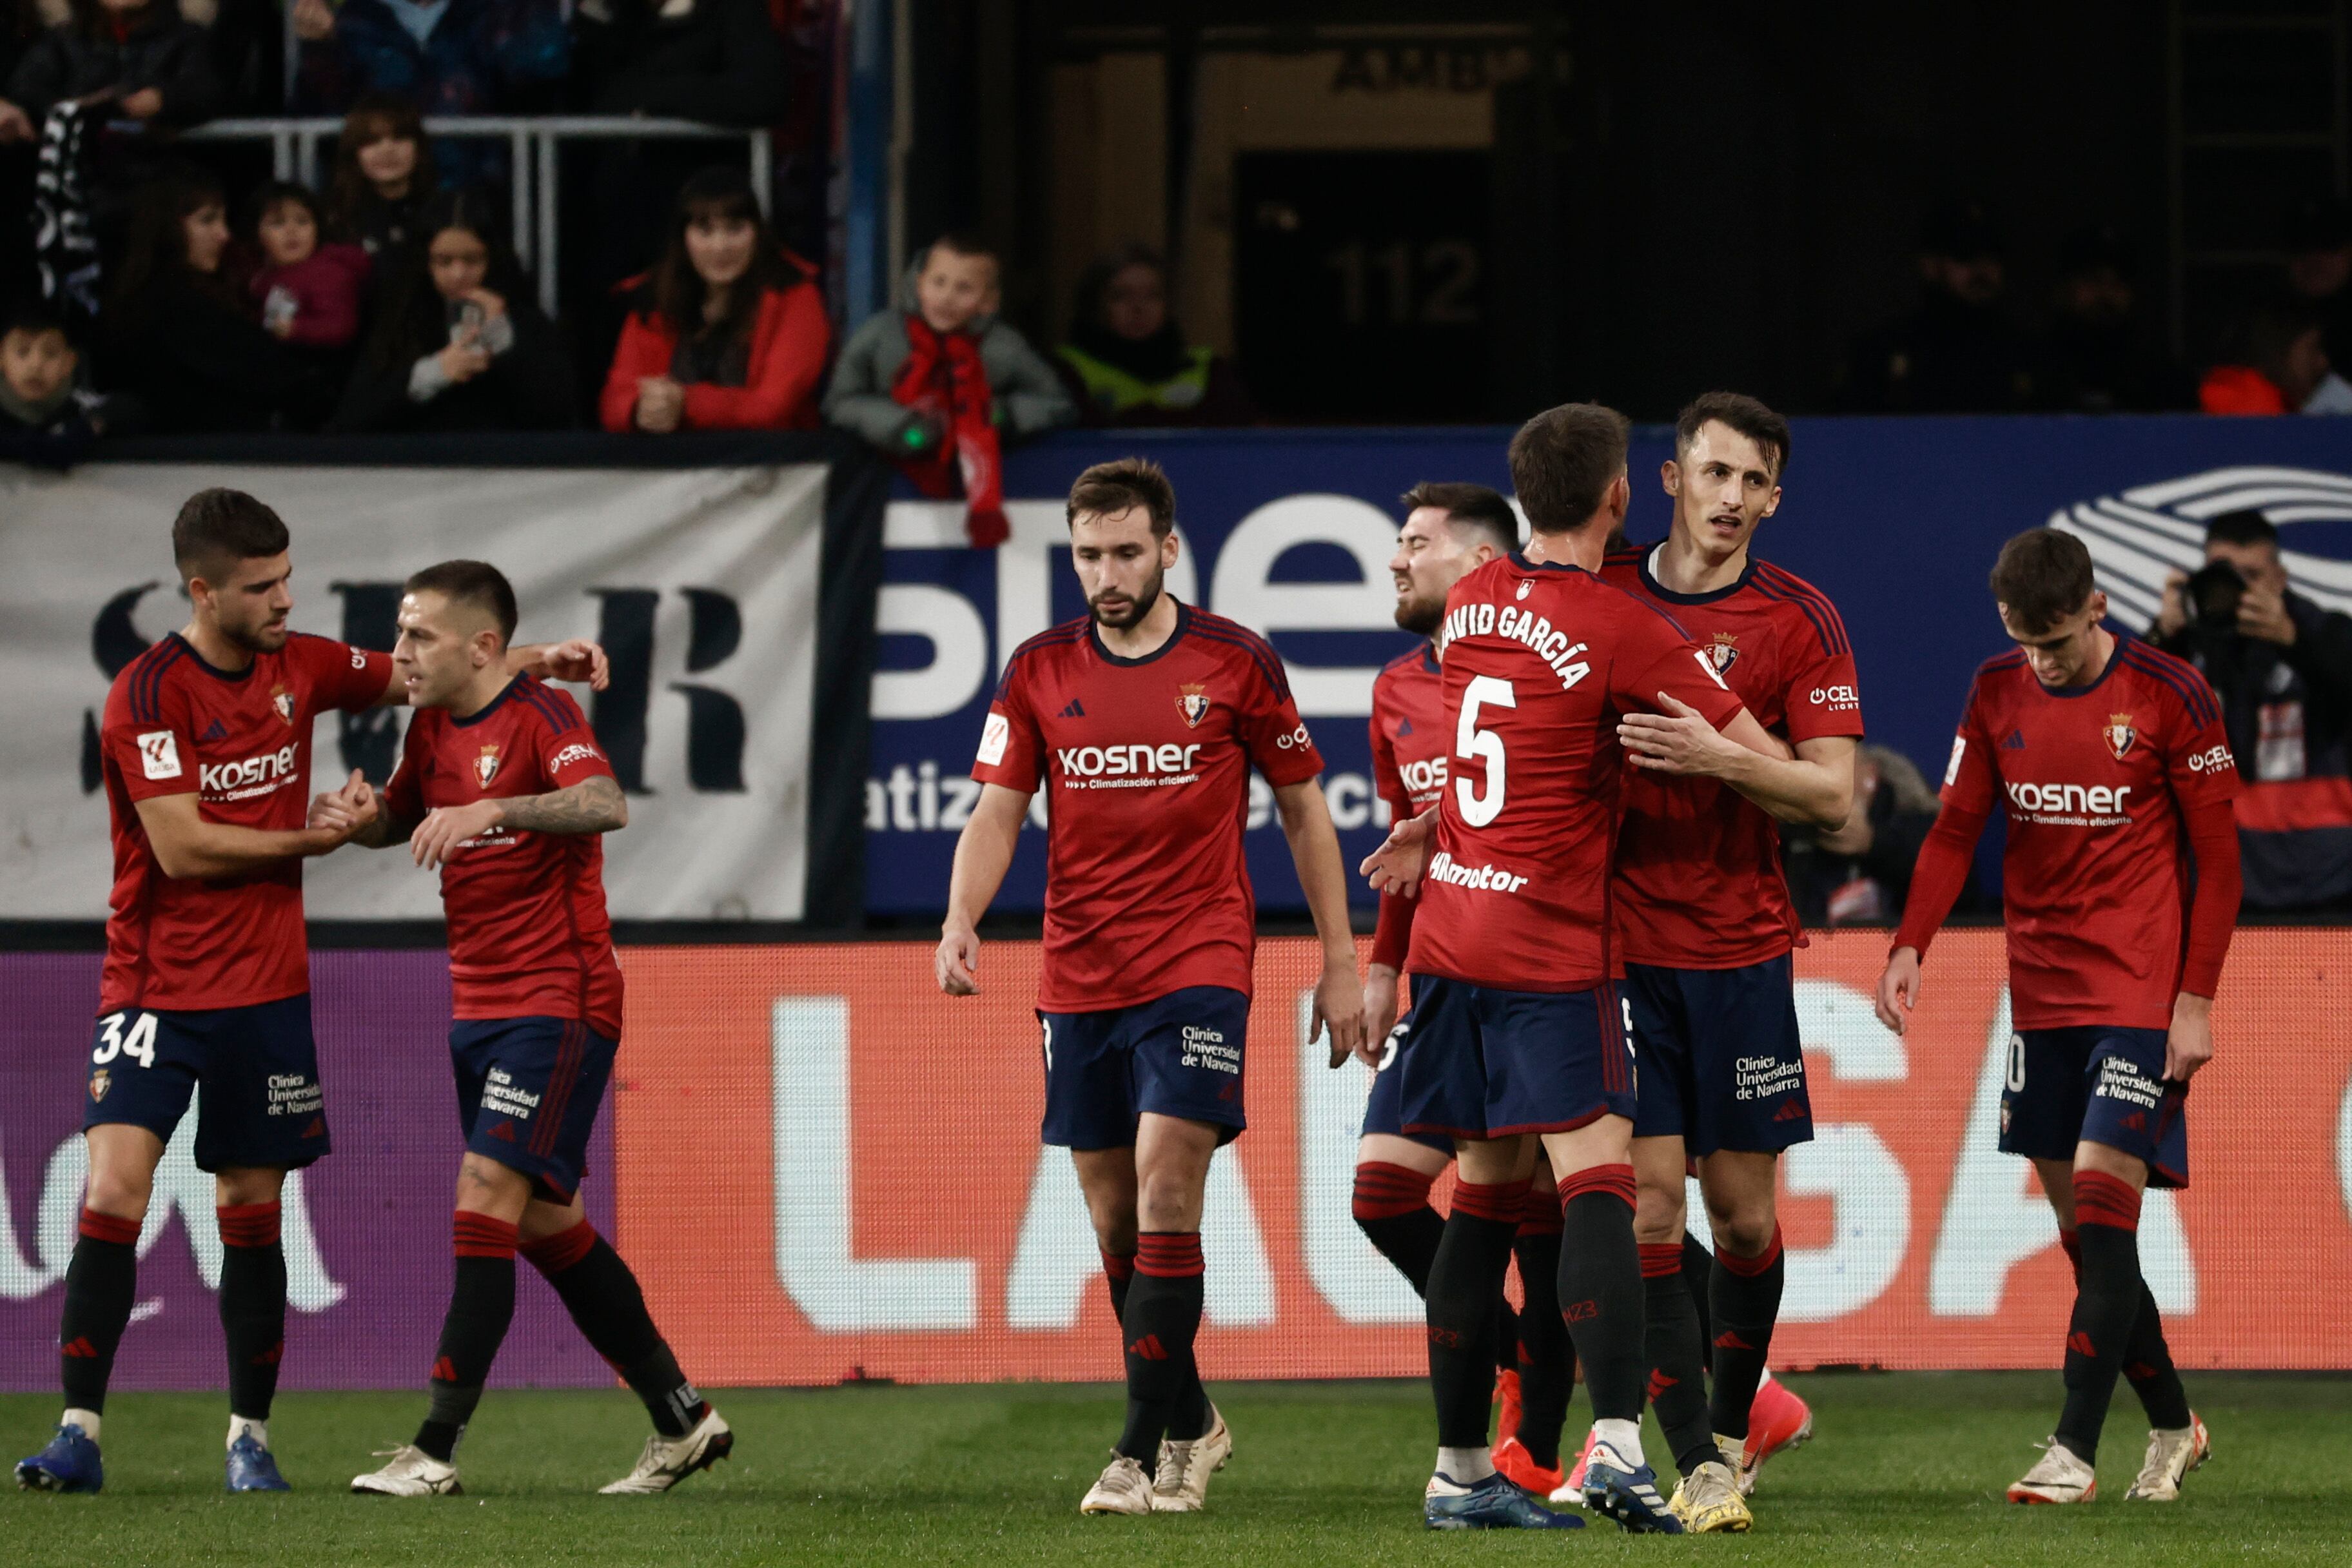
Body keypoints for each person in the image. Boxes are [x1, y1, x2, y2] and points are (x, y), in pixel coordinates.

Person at [9, 487, 606, 1496]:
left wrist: (536, 660)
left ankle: (249, 1440)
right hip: (152, 987)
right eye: (261, 586)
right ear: (203, 591)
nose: (286, 598)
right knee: (114, 1187)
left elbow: (425, 672)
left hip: (268, 993)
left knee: (252, 1205)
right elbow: (183, 846)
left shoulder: (307, 664)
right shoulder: (147, 694)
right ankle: (79, 1432)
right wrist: (316, 840)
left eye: (288, 575)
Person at [1360, 402, 1783, 1533]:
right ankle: (1609, 1447)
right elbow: (1754, 755)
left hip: (1452, 932)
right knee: (1602, 1182)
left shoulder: (1473, 601)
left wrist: (1432, 833)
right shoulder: (1617, 624)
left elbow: (1475, 755)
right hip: (1550, 946)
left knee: (1484, 1199)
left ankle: (1460, 1472)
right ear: (1618, 499)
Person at [936, 458, 1364, 1516]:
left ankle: (1130, 1455)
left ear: (1167, 548)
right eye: (1088, 554)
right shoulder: (1036, 667)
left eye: (1126, 551)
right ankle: (1191, 1422)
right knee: (1118, 1225)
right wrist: (959, 919)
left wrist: (1340, 957)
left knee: (1169, 1180)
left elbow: (1305, 811)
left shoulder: (1234, 662)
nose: (1107, 571)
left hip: (1199, 964)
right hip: (1078, 972)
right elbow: (996, 809)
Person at [327, 562, 727, 1497]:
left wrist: (496, 806)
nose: (401, 653)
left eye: (420, 635)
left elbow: (604, 804)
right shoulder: (429, 721)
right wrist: (364, 821)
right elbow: (407, 815)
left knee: (482, 1201)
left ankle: (433, 1452)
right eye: (400, 631)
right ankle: (684, 1420)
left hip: (562, 999)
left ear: (482, 645)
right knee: (551, 1224)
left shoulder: (544, 715)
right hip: (479, 1005)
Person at [1876, 527, 2239, 1506]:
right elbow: (1957, 828)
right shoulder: (1996, 690)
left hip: (2138, 992)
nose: (2043, 660)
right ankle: (2173, 1425)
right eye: (2025, 642)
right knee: (2092, 1237)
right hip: (2039, 994)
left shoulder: (2171, 695)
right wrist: (1912, 942)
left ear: (2096, 609)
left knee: (2101, 1191)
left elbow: (2221, 860)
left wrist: (2194, 1003)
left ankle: (2072, 1451)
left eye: (2059, 643)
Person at [1596, 392, 1850, 1531]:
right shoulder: (1599, 591)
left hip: (1741, 949)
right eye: (1713, 473)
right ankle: (1691, 1453)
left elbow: (1831, 795)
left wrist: (1713, 754)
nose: (1730, 499)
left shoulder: (1800, 618)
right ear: (1669, 478)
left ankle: (1737, 1423)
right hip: (1619, 948)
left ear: (1775, 497)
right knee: (1651, 1207)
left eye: (1752, 482)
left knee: (1739, 1219)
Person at [1355, 480, 1578, 1495]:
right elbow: (1405, 853)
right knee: (1387, 1193)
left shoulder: (1543, 668)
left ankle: (1527, 1441)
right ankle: (1514, 1390)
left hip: (1541, 968)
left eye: (1415, 543)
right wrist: (1381, 968)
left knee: (1573, 1205)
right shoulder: (1395, 689)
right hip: (1443, 974)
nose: (1396, 560)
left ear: (1482, 563)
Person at [2151, 509, 2352, 910]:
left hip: (2331, 882)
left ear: (2280, 578)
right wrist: (2163, 638)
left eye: (2254, 576)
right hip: (2224, 886)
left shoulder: (2323, 630)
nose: (2239, 590)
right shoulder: (2188, 646)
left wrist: (2294, 640)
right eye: (2225, 574)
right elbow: (2126, 725)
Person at [825, 233, 1075, 547]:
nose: (946, 298)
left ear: (989, 301)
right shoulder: (879, 336)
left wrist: (996, 415)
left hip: (977, 486)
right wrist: (902, 427)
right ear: (919, 284)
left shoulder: (1004, 348)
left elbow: (1057, 403)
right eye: (938, 282)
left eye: (964, 288)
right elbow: (839, 402)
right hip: (881, 485)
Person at [599, 166, 828, 435]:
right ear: (683, 238)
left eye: (735, 229)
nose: (720, 247)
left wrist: (686, 403)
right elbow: (615, 399)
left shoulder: (795, 297)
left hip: (774, 467)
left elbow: (774, 407)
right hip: (672, 470)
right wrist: (640, 409)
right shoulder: (654, 298)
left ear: (758, 233)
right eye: (705, 230)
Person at [102, 171, 335, 432]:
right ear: (166, 227)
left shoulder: (171, 294)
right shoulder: (177, 305)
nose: (224, 235)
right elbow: (274, 378)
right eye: (207, 220)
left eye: (223, 220)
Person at [331, 191, 575, 433]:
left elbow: (561, 415)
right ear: (425, 263)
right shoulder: (399, 324)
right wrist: (433, 373)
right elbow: (350, 421)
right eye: (444, 261)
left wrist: (503, 341)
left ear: (493, 259)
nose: (458, 275)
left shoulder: (526, 321)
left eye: (472, 260)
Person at [289, 0, 567, 188]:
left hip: (479, 197)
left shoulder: (498, 13)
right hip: (379, 198)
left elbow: (545, 92)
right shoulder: (352, 21)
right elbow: (317, 120)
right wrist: (320, 50)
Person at [1839, 201, 2031, 413]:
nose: (1982, 270)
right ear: (1929, 265)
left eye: (1992, 257)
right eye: (1964, 257)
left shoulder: (2027, 352)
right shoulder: (1882, 352)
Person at [1055, 245, 1255, 427]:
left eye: (1153, 295)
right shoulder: (1067, 372)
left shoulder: (1209, 370)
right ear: (1095, 306)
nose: (1139, 308)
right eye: (1120, 296)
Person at [1781, 741, 1963, 926]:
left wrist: (1872, 842)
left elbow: (1954, 887)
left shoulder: (1918, 821)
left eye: (1837, 771)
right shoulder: (1794, 836)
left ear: (1869, 777)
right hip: (1822, 951)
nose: (1823, 784)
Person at [2032, 226, 2190, 414]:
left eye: (2118, 283)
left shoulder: (2162, 377)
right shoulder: (2034, 369)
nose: (2105, 295)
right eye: (2092, 280)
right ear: (2063, 289)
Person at [5, 0, 222, 132]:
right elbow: (26, 89)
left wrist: (163, 99)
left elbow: (207, 90)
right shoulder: (65, 40)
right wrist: (77, 109)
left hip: (159, 171)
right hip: (81, 171)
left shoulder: (185, 38)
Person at [0, 300, 141, 465]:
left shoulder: (83, 410)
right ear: (2, 357)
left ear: (69, 362)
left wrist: (94, 422)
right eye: (23, 352)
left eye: (51, 353)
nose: (36, 365)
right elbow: (51, 450)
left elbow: (130, 409)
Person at [246, 181, 369, 355]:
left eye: (303, 221)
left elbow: (340, 326)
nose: (291, 231)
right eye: (278, 223)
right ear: (258, 234)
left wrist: (296, 329)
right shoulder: (262, 274)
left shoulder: (328, 273)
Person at [324, 93, 437, 272]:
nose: (387, 150)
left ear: (419, 148)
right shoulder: (335, 219)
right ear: (354, 153)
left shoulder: (442, 213)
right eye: (372, 141)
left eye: (399, 138)